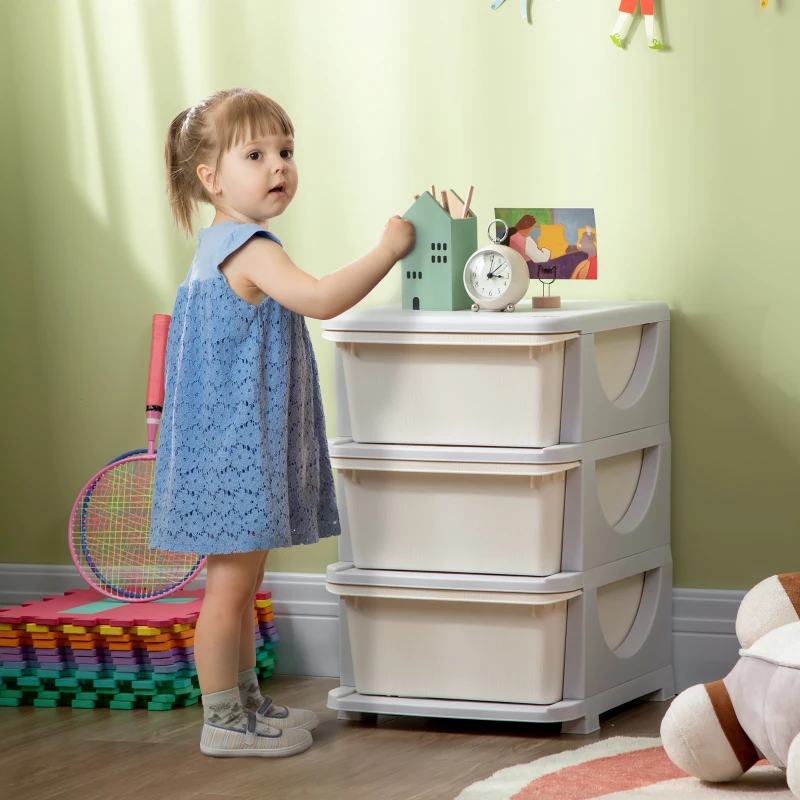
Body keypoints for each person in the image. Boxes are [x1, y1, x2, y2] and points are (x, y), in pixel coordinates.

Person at [148, 88, 415, 759]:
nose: (279, 167)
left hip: (231, 449)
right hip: (235, 453)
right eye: (257, 153)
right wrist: (388, 250)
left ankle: (243, 702)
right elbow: (321, 298)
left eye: (286, 152)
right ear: (210, 177)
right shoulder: (249, 247)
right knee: (229, 591)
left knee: (239, 589)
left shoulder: (218, 246)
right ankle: (221, 719)